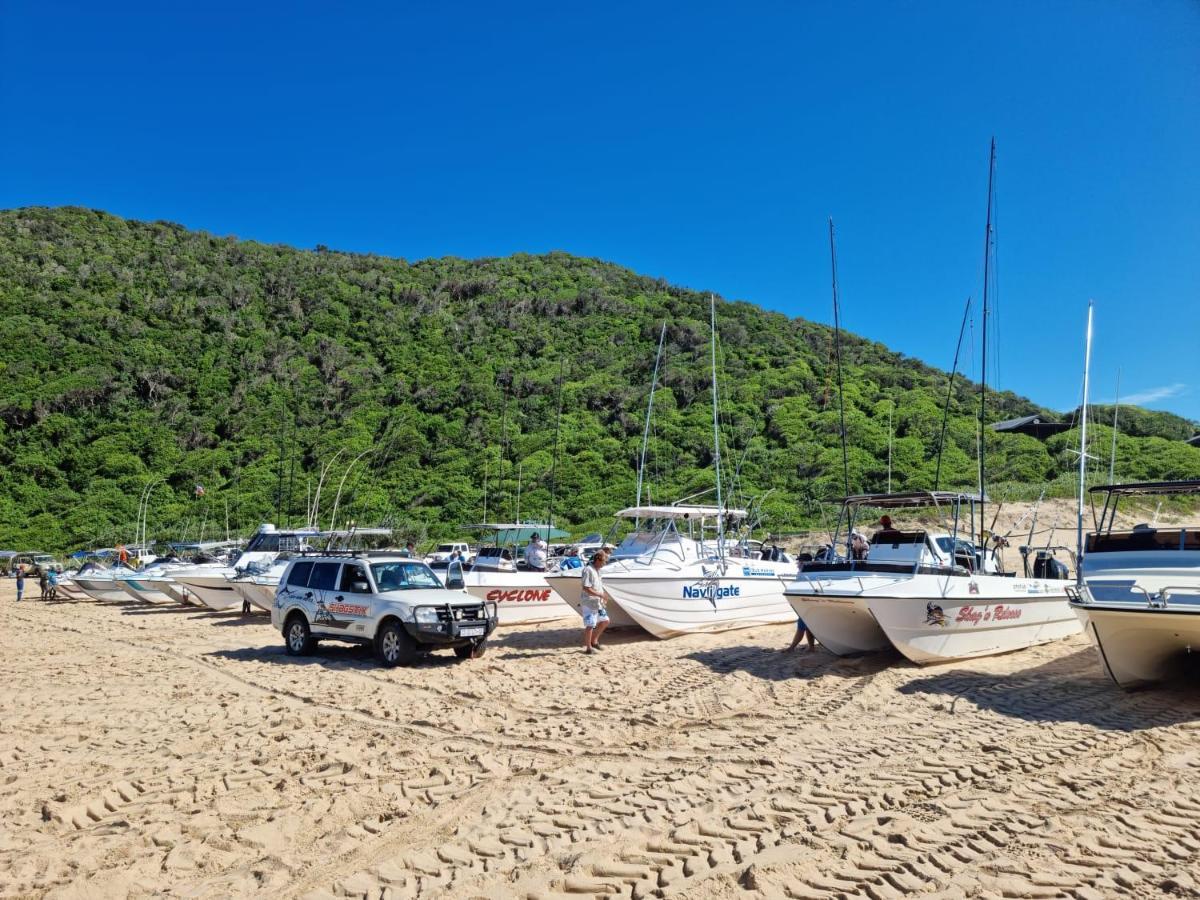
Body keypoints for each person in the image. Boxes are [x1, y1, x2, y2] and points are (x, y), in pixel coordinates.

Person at [579, 550, 611, 654]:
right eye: (604, 561)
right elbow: (586, 588)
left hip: (598, 602)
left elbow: (597, 586)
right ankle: (588, 648)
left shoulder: (597, 570)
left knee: (605, 621)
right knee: (590, 625)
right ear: (597, 559)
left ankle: (594, 641)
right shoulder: (588, 570)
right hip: (589, 602)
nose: (604, 564)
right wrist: (600, 594)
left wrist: (603, 595)